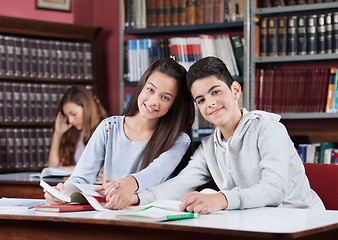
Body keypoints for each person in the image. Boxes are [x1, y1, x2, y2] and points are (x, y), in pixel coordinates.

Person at [134, 56, 325, 213]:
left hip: (303, 221)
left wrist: (223, 198)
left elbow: (274, 190)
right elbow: (182, 183)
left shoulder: (268, 128)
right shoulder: (209, 146)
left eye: (216, 92)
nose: (210, 103)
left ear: (235, 90)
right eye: (201, 100)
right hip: (259, 224)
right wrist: (138, 198)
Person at [44, 58, 195, 209]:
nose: (154, 101)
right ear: (142, 86)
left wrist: (128, 183)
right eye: (150, 90)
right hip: (109, 215)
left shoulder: (179, 140)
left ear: (173, 105)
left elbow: (157, 172)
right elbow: (81, 176)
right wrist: (62, 193)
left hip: (151, 217)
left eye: (165, 97)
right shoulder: (109, 127)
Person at [48, 86, 108, 170]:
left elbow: (103, 169)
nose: (70, 120)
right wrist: (57, 134)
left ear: (87, 108)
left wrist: (68, 169)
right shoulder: (74, 134)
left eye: (73, 114)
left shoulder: (107, 130)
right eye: (67, 116)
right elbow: (53, 168)